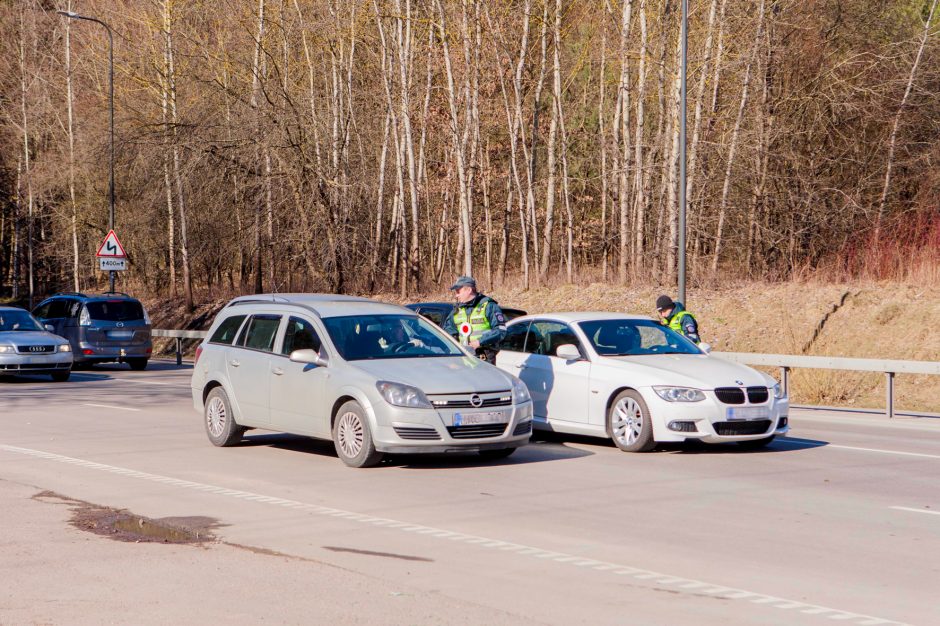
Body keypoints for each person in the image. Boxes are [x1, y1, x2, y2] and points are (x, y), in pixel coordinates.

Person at [442, 276, 507, 364]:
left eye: (458, 291)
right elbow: (447, 332)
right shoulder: (456, 310)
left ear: (468, 290)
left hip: (484, 359)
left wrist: (480, 342)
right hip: (463, 360)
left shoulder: (488, 306)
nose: (456, 295)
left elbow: (500, 330)